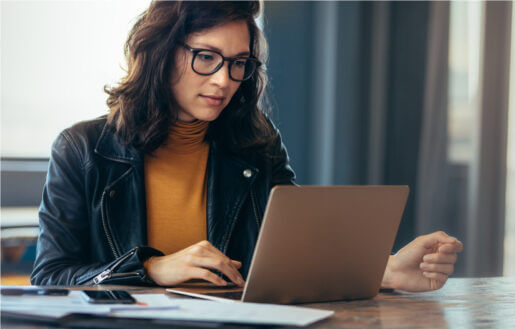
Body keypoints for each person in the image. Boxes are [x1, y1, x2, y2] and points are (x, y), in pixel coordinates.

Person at [30, 1, 462, 292]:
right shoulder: (82, 149)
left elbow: (294, 255)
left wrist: (383, 270)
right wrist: (150, 269)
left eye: (239, 63)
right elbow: (50, 278)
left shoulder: (256, 142)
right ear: (161, 52)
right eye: (206, 57)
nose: (223, 80)